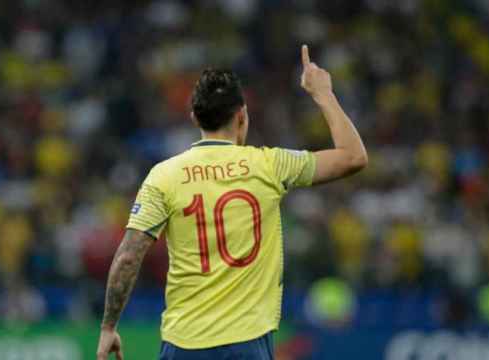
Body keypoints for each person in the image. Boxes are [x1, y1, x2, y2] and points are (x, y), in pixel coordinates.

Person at [96, 45, 368, 360]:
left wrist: (108, 326)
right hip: (247, 344)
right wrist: (322, 93)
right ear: (242, 115)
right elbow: (353, 157)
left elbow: (128, 257)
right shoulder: (270, 165)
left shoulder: (164, 176)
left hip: (183, 344)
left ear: (194, 116)